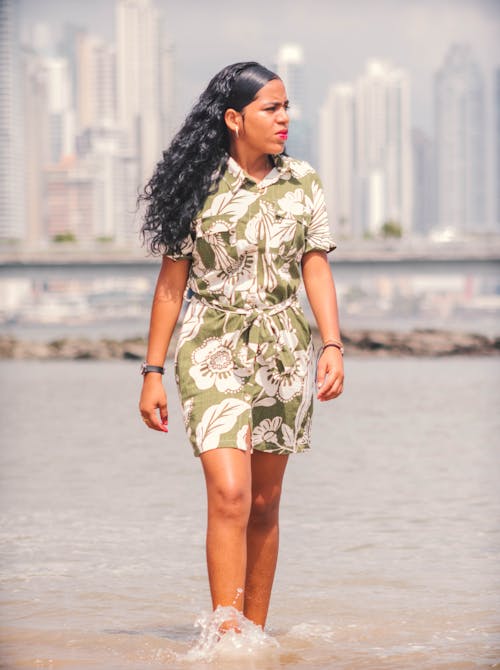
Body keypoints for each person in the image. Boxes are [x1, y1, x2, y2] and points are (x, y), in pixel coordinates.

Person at [138, 61, 344, 633]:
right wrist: (152, 371)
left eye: (286, 107)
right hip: (211, 346)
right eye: (270, 108)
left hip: (283, 350)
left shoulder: (303, 182)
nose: (284, 119)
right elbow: (170, 288)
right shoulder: (196, 187)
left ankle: (254, 637)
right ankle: (226, 636)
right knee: (231, 493)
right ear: (234, 118)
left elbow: (316, 270)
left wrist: (332, 344)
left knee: (263, 503)